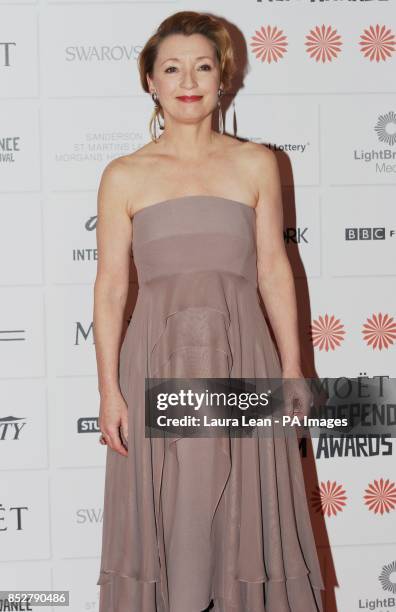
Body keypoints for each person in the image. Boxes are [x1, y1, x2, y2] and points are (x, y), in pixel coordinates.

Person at [93, 10, 325, 612]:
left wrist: (294, 368)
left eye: (202, 66)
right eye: (171, 68)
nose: (187, 80)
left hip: (243, 358)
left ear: (223, 78)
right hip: (157, 366)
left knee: (246, 509)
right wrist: (108, 391)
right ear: (150, 80)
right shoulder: (123, 176)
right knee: (176, 516)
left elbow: (274, 269)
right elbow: (113, 286)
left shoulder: (255, 164)